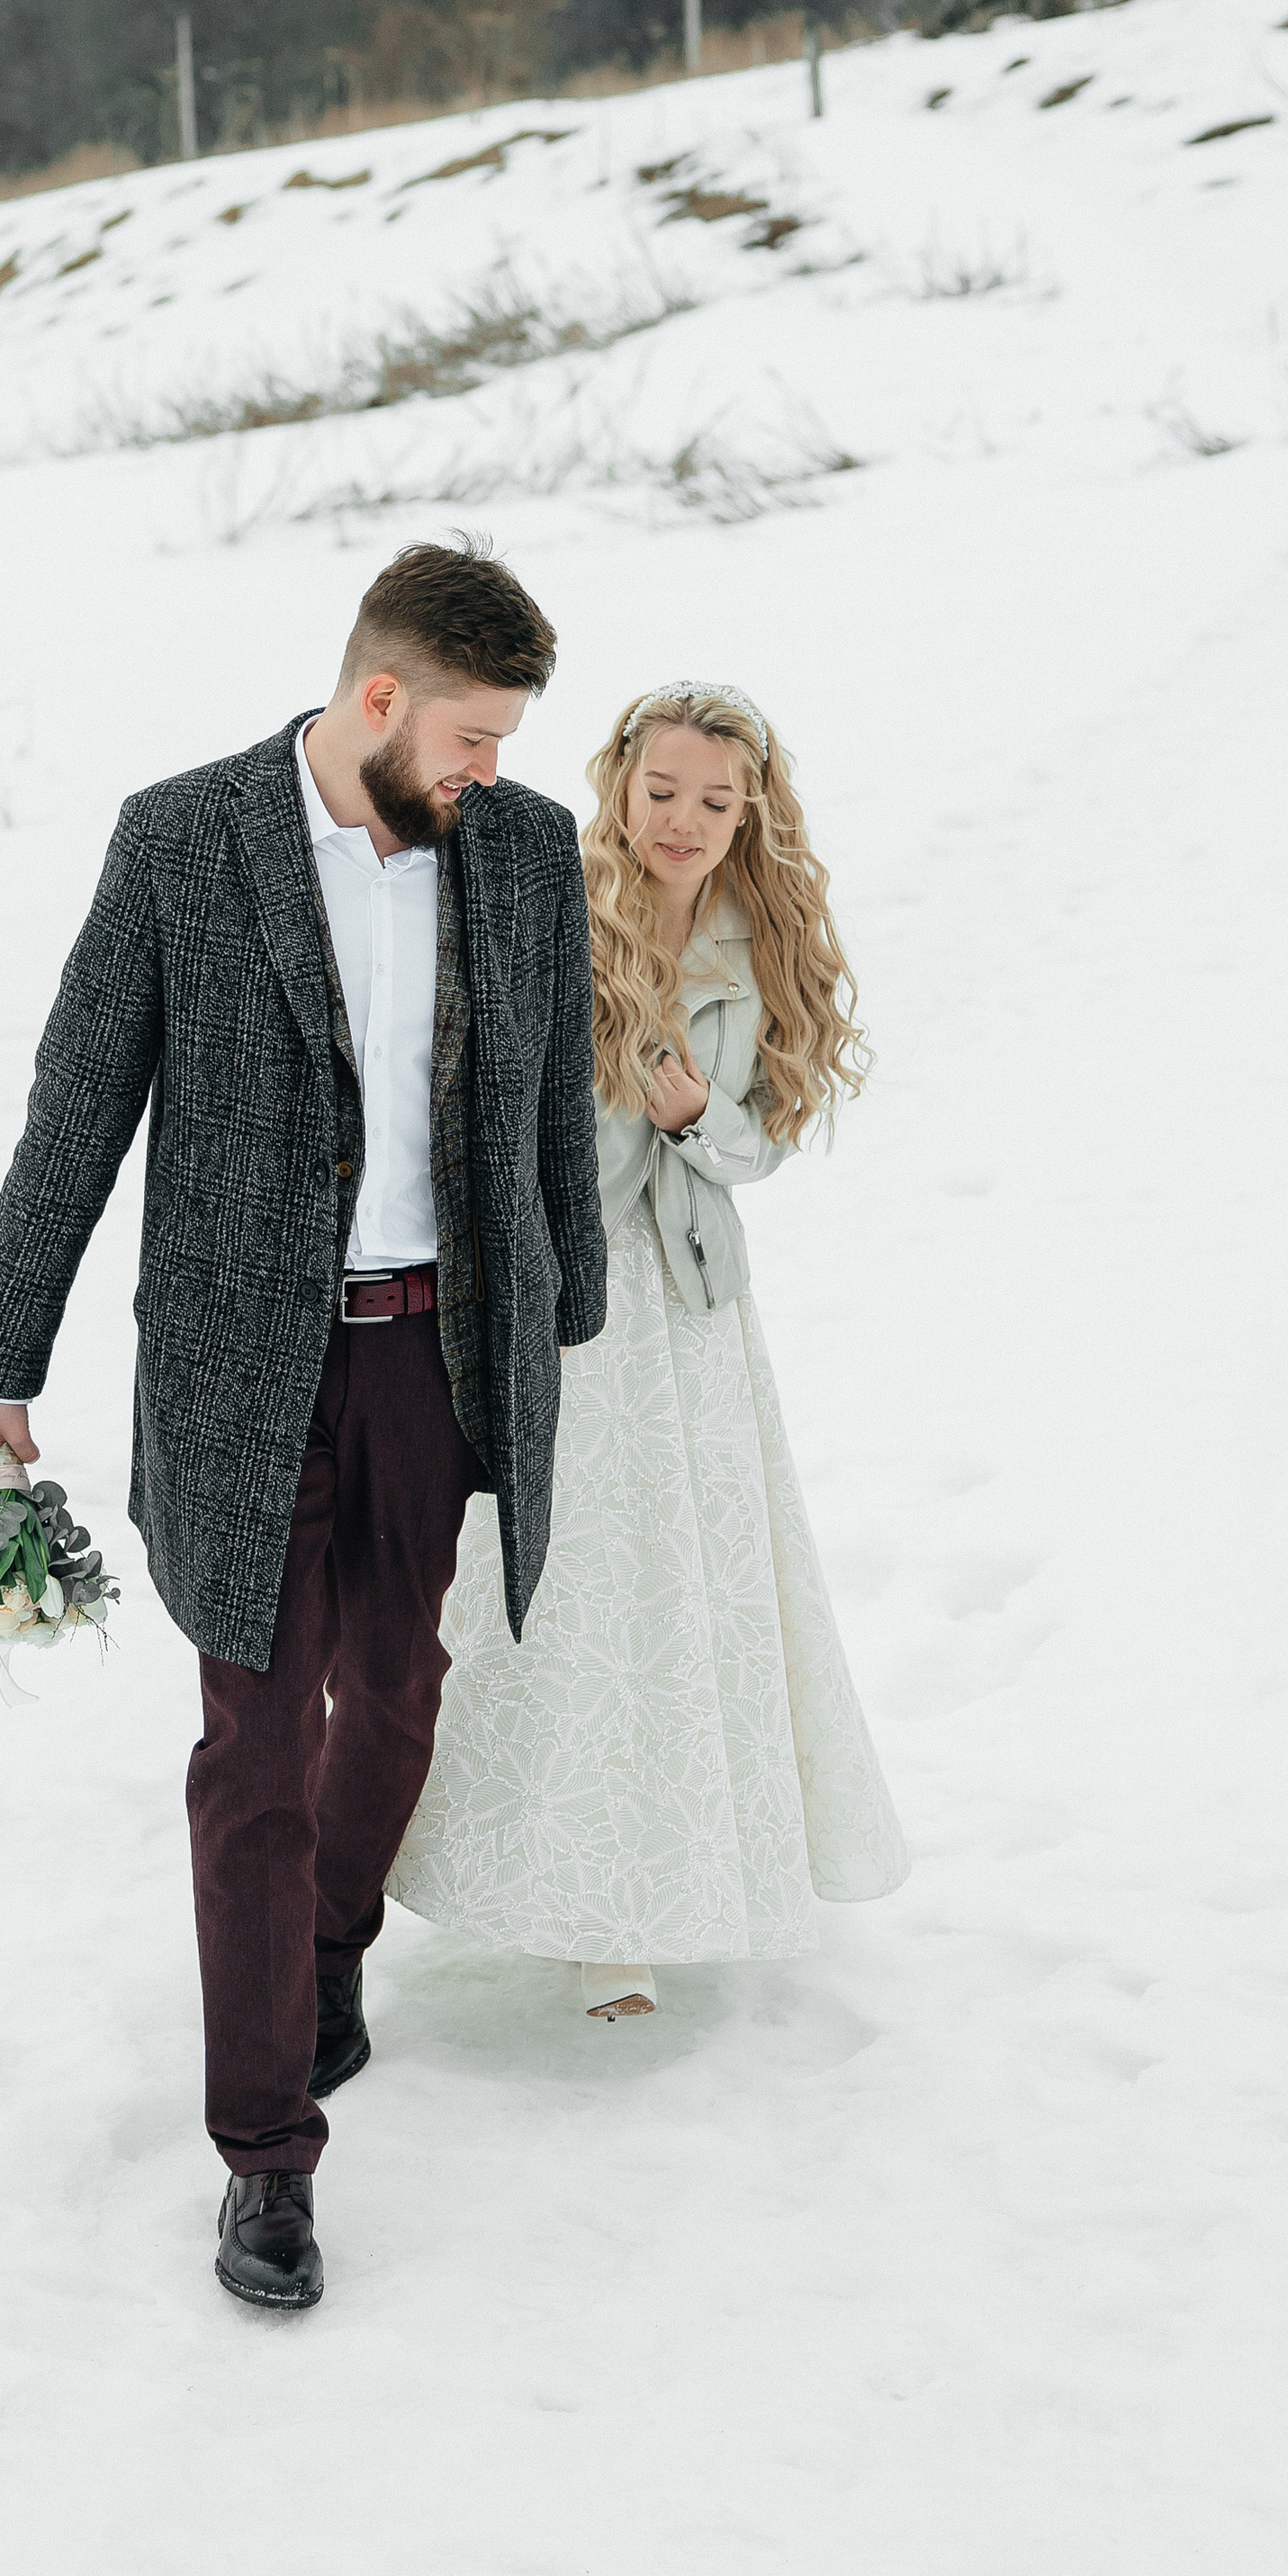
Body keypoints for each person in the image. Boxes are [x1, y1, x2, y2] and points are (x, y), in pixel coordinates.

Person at [0, 542, 605, 2310]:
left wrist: (569, 1321)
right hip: (246, 1379)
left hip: (439, 1362)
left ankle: (323, 1952)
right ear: (373, 698)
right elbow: (76, 1110)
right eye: (466, 736)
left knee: (395, 1696)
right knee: (251, 1742)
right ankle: (264, 2162)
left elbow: (553, 1098)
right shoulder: (180, 842)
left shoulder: (527, 853)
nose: (488, 771)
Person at [386, 680, 908, 2017]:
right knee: (562, 1581)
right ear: (619, 784)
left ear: (751, 816)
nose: (683, 821)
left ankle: (677, 1880)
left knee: (692, 1585)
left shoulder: (760, 944)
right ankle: (568, 1895)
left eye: (715, 802)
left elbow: (764, 1143)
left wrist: (692, 1119)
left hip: (688, 1309)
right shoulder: (550, 905)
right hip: (560, 1290)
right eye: (662, 791)